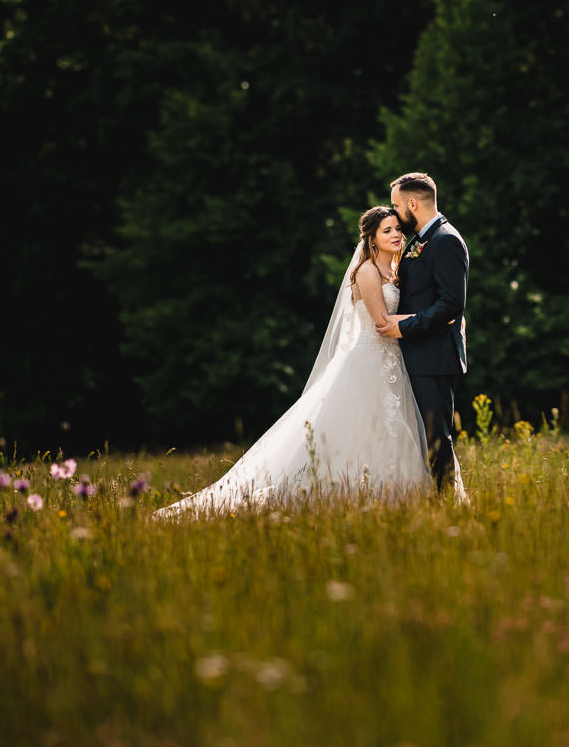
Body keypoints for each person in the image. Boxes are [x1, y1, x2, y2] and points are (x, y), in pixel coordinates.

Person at [153, 206, 443, 519]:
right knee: (357, 430)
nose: (397, 234)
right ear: (372, 238)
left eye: (398, 229)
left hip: (391, 363)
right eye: (387, 230)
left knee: (390, 431)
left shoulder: (397, 270)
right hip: (367, 361)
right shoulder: (368, 271)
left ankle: (392, 499)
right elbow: (381, 322)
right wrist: (439, 318)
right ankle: (339, 494)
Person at [377, 172, 468, 494]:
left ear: (412, 203)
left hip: (433, 355)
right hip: (418, 353)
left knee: (435, 435)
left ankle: (445, 501)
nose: (395, 214)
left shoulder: (446, 240)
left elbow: (450, 304)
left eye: (397, 206)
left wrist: (403, 326)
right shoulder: (421, 240)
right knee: (420, 434)